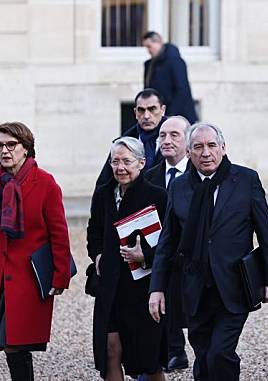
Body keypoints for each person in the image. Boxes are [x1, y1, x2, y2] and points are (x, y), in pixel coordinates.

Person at [149, 123, 268, 381]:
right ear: (188, 152)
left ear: (223, 148)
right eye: (198, 147)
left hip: (233, 285)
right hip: (194, 288)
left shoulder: (246, 180)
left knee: (220, 354)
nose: (206, 152)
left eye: (212, 145)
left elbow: (265, 231)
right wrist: (157, 288)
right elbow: (167, 242)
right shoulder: (178, 187)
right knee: (203, 358)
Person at [0, 122, 72, 381]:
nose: (5, 151)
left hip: (29, 278)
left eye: (11, 145)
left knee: (15, 343)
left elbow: (59, 233)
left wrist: (60, 275)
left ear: (26, 148)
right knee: (10, 344)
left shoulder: (45, 183)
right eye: (0, 145)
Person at [88, 137, 168, 380]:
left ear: (142, 163)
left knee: (148, 359)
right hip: (110, 287)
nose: (120, 167)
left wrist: (147, 256)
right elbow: (94, 230)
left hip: (143, 289)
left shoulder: (158, 196)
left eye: (126, 161)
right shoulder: (103, 194)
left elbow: (171, 243)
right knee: (111, 349)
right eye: (115, 162)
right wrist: (98, 254)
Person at [144, 116, 191, 372]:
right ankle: (174, 350)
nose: (167, 140)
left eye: (174, 135)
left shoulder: (200, 173)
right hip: (158, 254)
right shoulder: (149, 177)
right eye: (162, 135)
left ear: (187, 140)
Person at [96, 88, 168, 187]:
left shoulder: (177, 139)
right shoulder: (124, 142)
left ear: (162, 110)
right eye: (141, 110)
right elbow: (104, 182)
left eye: (152, 109)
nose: (146, 116)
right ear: (135, 113)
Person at [142, 31, 198, 124]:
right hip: (159, 114)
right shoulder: (150, 64)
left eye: (149, 46)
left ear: (158, 42)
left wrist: (170, 114)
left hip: (179, 115)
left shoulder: (174, 61)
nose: (148, 50)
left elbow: (182, 89)